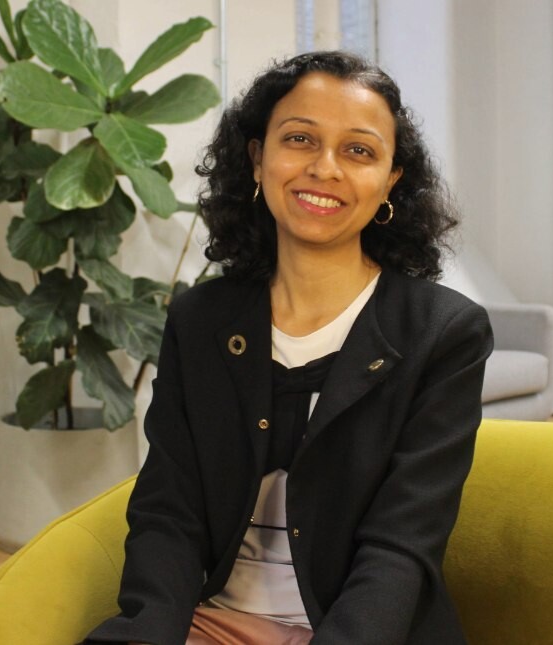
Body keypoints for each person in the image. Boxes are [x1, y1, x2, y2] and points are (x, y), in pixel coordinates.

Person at [83, 51, 493, 644]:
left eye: (358, 150)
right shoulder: (199, 320)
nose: (324, 168)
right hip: (213, 622)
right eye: (300, 138)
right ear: (258, 158)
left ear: (390, 182)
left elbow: (402, 547)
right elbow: (167, 514)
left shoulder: (443, 333)